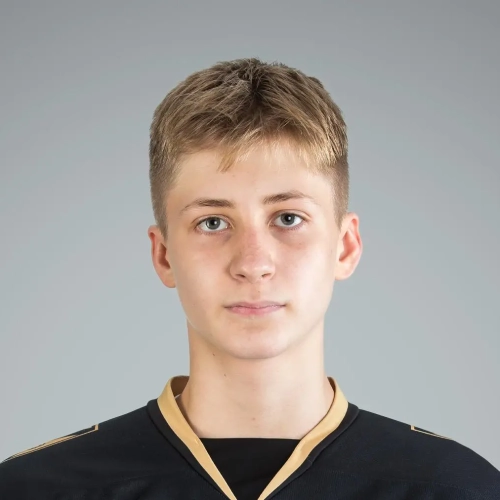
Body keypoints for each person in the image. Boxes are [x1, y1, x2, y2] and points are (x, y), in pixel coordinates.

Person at [1, 57, 498, 500]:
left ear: (345, 246)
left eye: (288, 218)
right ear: (164, 255)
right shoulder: (36, 489)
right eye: (213, 222)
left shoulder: (457, 488)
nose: (253, 263)